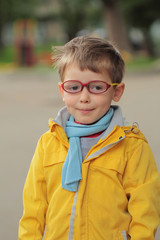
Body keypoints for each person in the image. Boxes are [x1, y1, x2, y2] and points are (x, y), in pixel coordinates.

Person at [18, 36, 160, 240]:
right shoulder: (48, 143)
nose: (84, 97)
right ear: (62, 91)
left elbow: (146, 210)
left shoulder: (131, 146)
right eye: (74, 87)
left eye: (96, 87)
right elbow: (33, 207)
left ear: (116, 91)